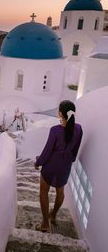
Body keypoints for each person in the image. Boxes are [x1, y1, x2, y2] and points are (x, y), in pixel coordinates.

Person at [34, 100, 83, 233]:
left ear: (61, 113)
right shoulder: (78, 129)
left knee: (44, 192)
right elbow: (75, 150)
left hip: (51, 166)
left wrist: (38, 162)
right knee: (60, 192)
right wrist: (69, 160)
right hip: (65, 166)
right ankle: (53, 215)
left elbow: (47, 150)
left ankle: (45, 223)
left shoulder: (55, 130)